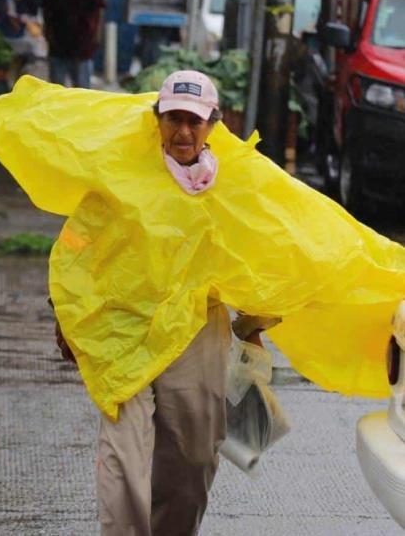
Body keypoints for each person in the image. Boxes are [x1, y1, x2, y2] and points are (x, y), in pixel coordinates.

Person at [54, 70, 275, 536]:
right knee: (124, 459)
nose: (184, 132)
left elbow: (260, 253)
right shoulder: (120, 176)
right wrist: (64, 312)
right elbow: (77, 243)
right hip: (122, 328)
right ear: (156, 119)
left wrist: (253, 324)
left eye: (195, 121)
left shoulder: (231, 187)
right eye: (174, 118)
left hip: (196, 331)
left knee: (192, 461)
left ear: (214, 123)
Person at [42, 0, 106, 88]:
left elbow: (99, 9)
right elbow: (46, 7)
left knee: (82, 89)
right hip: (58, 43)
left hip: (82, 43)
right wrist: (47, 30)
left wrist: (97, 35)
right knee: (56, 90)